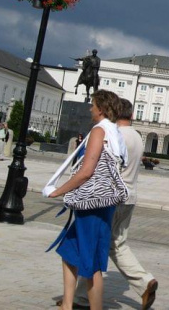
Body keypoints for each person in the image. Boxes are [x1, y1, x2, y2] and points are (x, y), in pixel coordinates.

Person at [68, 99, 158, 310]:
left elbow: (102, 165)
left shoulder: (115, 135)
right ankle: (83, 296)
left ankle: (141, 282)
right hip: (130, 196)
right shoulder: (136, 136)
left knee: (96, 243)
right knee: (115, 243)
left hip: (112, 198)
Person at [48, 90, 126, 310]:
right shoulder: (116, 132)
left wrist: (58, 191)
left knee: (91, 264)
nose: (90, 109)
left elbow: (87, 171)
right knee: (69, 250)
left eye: (92, 105)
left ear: (101, 108)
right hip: (104, 202)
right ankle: (67, 304)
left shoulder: (100, 131)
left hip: (92, 203)